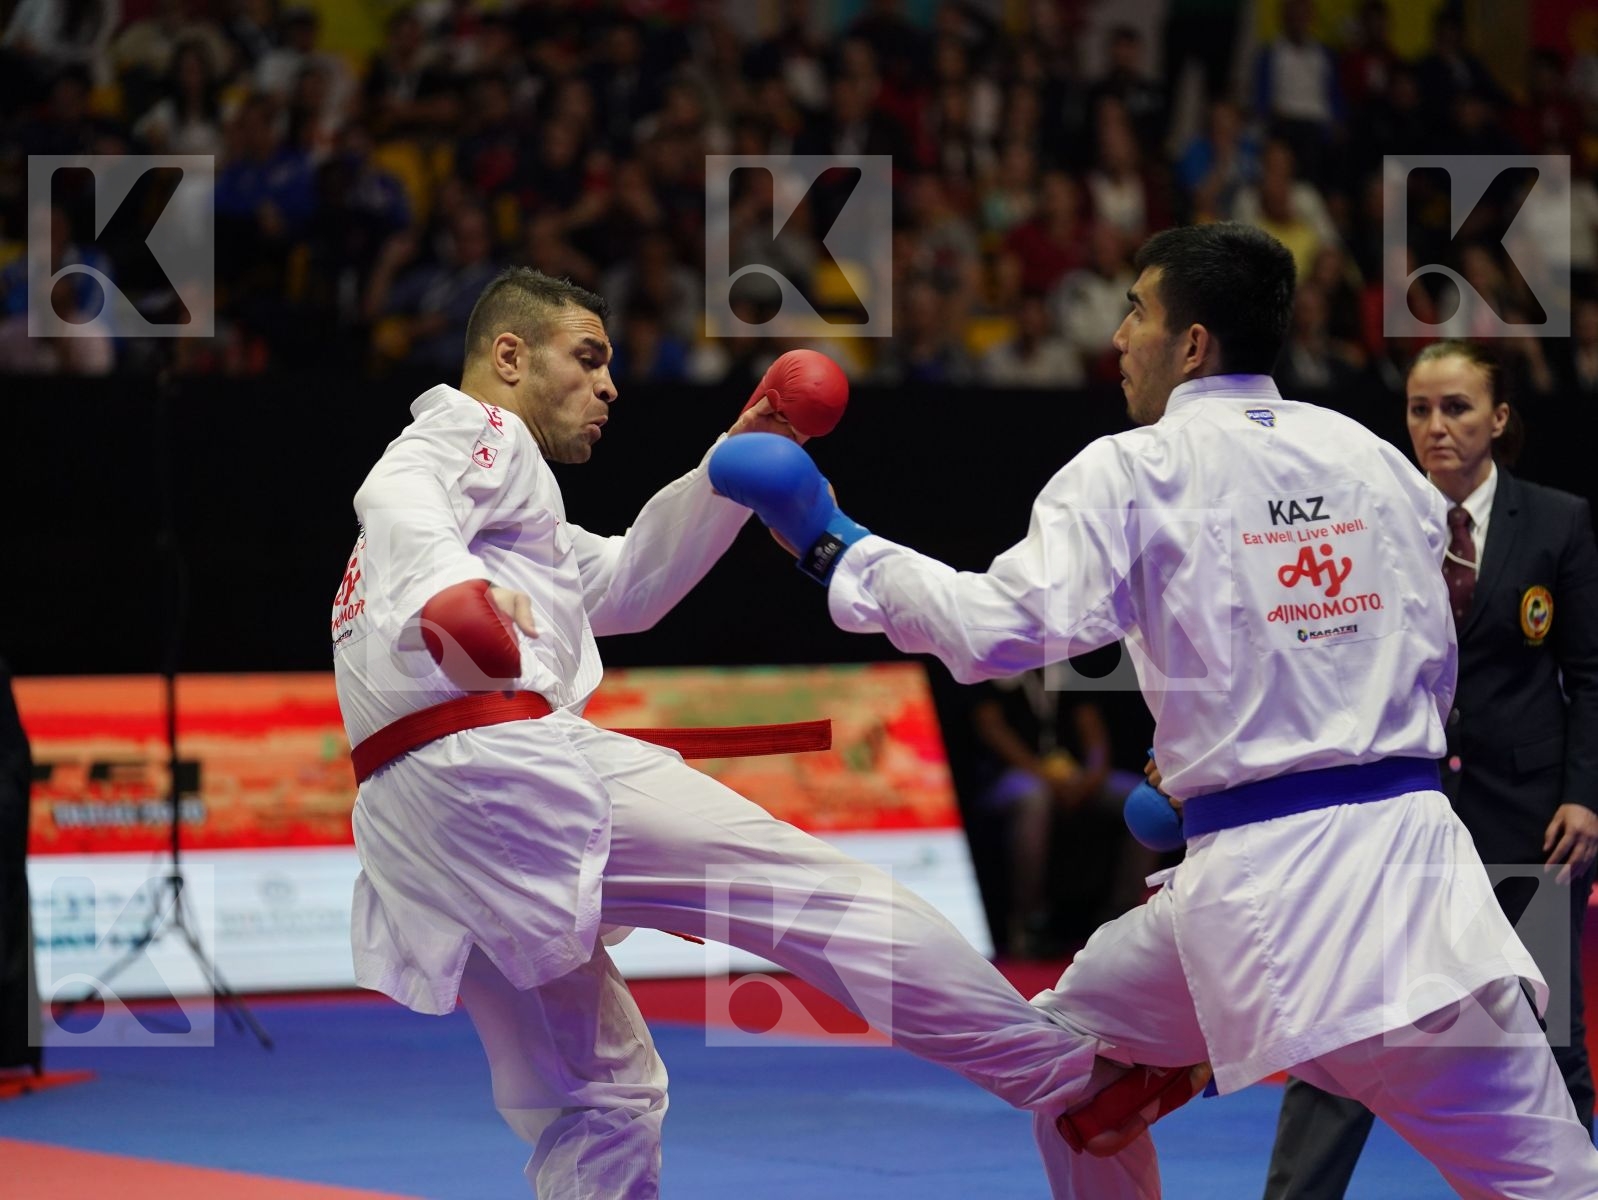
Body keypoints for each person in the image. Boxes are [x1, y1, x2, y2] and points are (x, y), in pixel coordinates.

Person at [710, 223, 1598, 1197]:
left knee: (1064, 1071)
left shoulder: (1135, 468)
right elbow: (1431, 665)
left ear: (1190, 344)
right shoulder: (1375, 461)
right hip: (1412, 890)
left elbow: (995, 632)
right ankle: (1175, 1055)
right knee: (1551, 1183)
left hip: (1264, 900)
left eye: (1134, 309)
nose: (1115, 335)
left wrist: (836, 547)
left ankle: (1176, 1057)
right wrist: (1237, 763)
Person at [331, 267, 1114, 1198]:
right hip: (500, 768)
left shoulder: (507, 527)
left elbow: (628, 585)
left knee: (601, 1097)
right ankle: (1073, 1076)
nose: (609, 385)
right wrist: (447, 600)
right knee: (823, 897)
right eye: (586, 359)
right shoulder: (470, 435)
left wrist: (733, 461)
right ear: (508, 356)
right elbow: (396, 495)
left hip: (418, 822)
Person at [1262, 340, 1598, 1197]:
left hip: (1527, 817)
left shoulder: (1557, 521)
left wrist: (1584, 798)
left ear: (1499, 418)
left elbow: (1590, 674)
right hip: (1388, 816)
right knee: (1344, 1033)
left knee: (1551, 1035)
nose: (1436, 426)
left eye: (1456, 408)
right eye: (1420, 409)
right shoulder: (1361, 519)